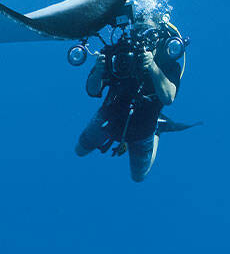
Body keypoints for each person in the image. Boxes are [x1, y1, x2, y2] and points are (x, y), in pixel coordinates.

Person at [75, 9, 187, 181]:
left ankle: (159, 129)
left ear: (159, 35)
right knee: (80, 151)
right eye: (137, 32)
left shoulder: (167, 62)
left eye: (149, 35)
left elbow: (168, 97)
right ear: (131, 29)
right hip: (108, 118)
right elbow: (92, 90)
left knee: (138, 176)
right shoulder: (116, 51)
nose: (142, 40)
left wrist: (153, 67)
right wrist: (98, 71)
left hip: (144, 128)